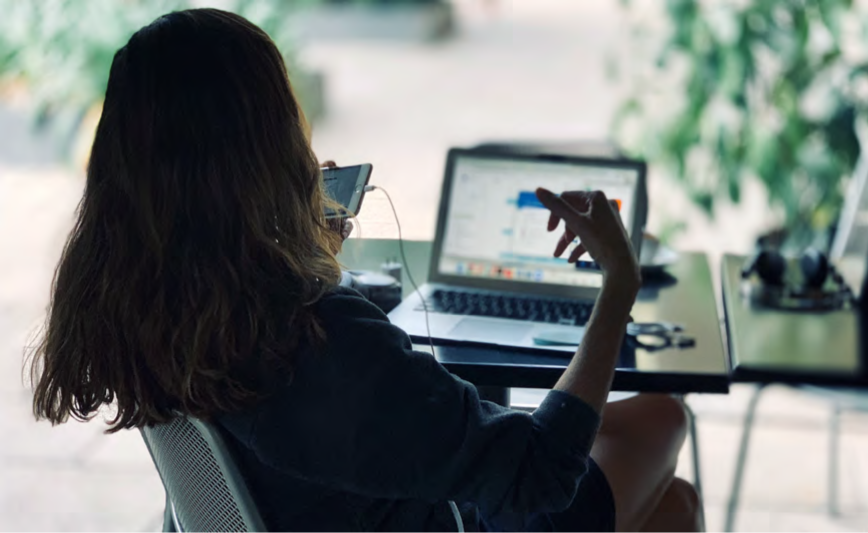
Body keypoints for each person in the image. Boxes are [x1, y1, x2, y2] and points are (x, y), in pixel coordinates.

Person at [28, 8, 700, 533]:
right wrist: (617, 286)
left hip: (325, 507)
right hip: (442, 517)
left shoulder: (145, 300)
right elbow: (539, 473)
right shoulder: (315, 337)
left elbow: (319, 418)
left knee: (673, 508)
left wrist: (309, 262)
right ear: (265, 146)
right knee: (663, 418)